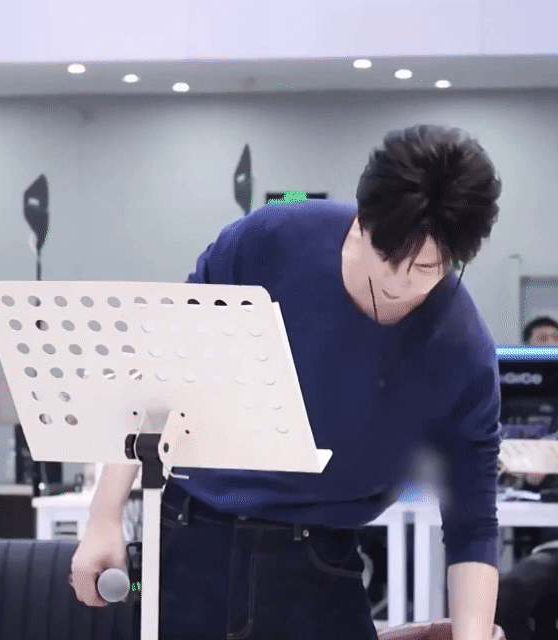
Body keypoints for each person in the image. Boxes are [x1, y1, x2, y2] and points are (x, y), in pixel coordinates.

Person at [70, 124, 503, 640]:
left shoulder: (461, 349)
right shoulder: (271, 240)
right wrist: (104, 515)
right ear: (361, 219)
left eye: (425, 268)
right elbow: (160, 371)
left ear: (456, 259)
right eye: (385, 254)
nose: (396, 282)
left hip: (320, 560)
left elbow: (473, 522)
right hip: (191, 533)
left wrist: (473, 634)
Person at [494, 316, 558, 640]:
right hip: (550, 546)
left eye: (554, 338)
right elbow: (527, 478)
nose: (549, 345)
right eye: (541, 338)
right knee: (508, 592)